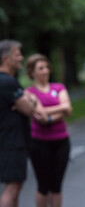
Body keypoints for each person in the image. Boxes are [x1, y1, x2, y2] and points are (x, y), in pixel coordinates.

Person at [25, 54, 72, 207]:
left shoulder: (58, 87)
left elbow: (68, 109)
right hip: (39, 143)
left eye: (47, 67)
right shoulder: (29, 93)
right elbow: (39, 115)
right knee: (43, 186)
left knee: (57, 185)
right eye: (41, 68)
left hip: (61, 141)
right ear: (32, 72)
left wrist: (50, 115)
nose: (45, 71)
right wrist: (61, 108)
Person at [0, 40, 42, 207]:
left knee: (14, 186)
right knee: (13, 187)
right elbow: (29, 109)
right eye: (17, 55)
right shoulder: (7, 82)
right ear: (5, 58)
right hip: (12, 142)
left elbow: (23, 104)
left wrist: (24, 101)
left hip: (8, 141)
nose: (21, 58)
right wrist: (30, 100)